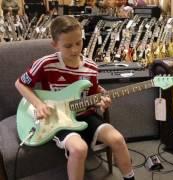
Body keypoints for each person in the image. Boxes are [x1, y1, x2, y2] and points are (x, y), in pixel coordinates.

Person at [15, 15, 135, 180]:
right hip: (58, 120)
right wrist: (38, 105)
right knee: (79, 149)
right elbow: (20, 84)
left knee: (118, 139)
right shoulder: (44, 64)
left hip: (85, 115)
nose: (75, 49)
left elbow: (94, 96)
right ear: (55, 45)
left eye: (79, 43)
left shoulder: (91, 67)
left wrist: (102, 102)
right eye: (68, 45)